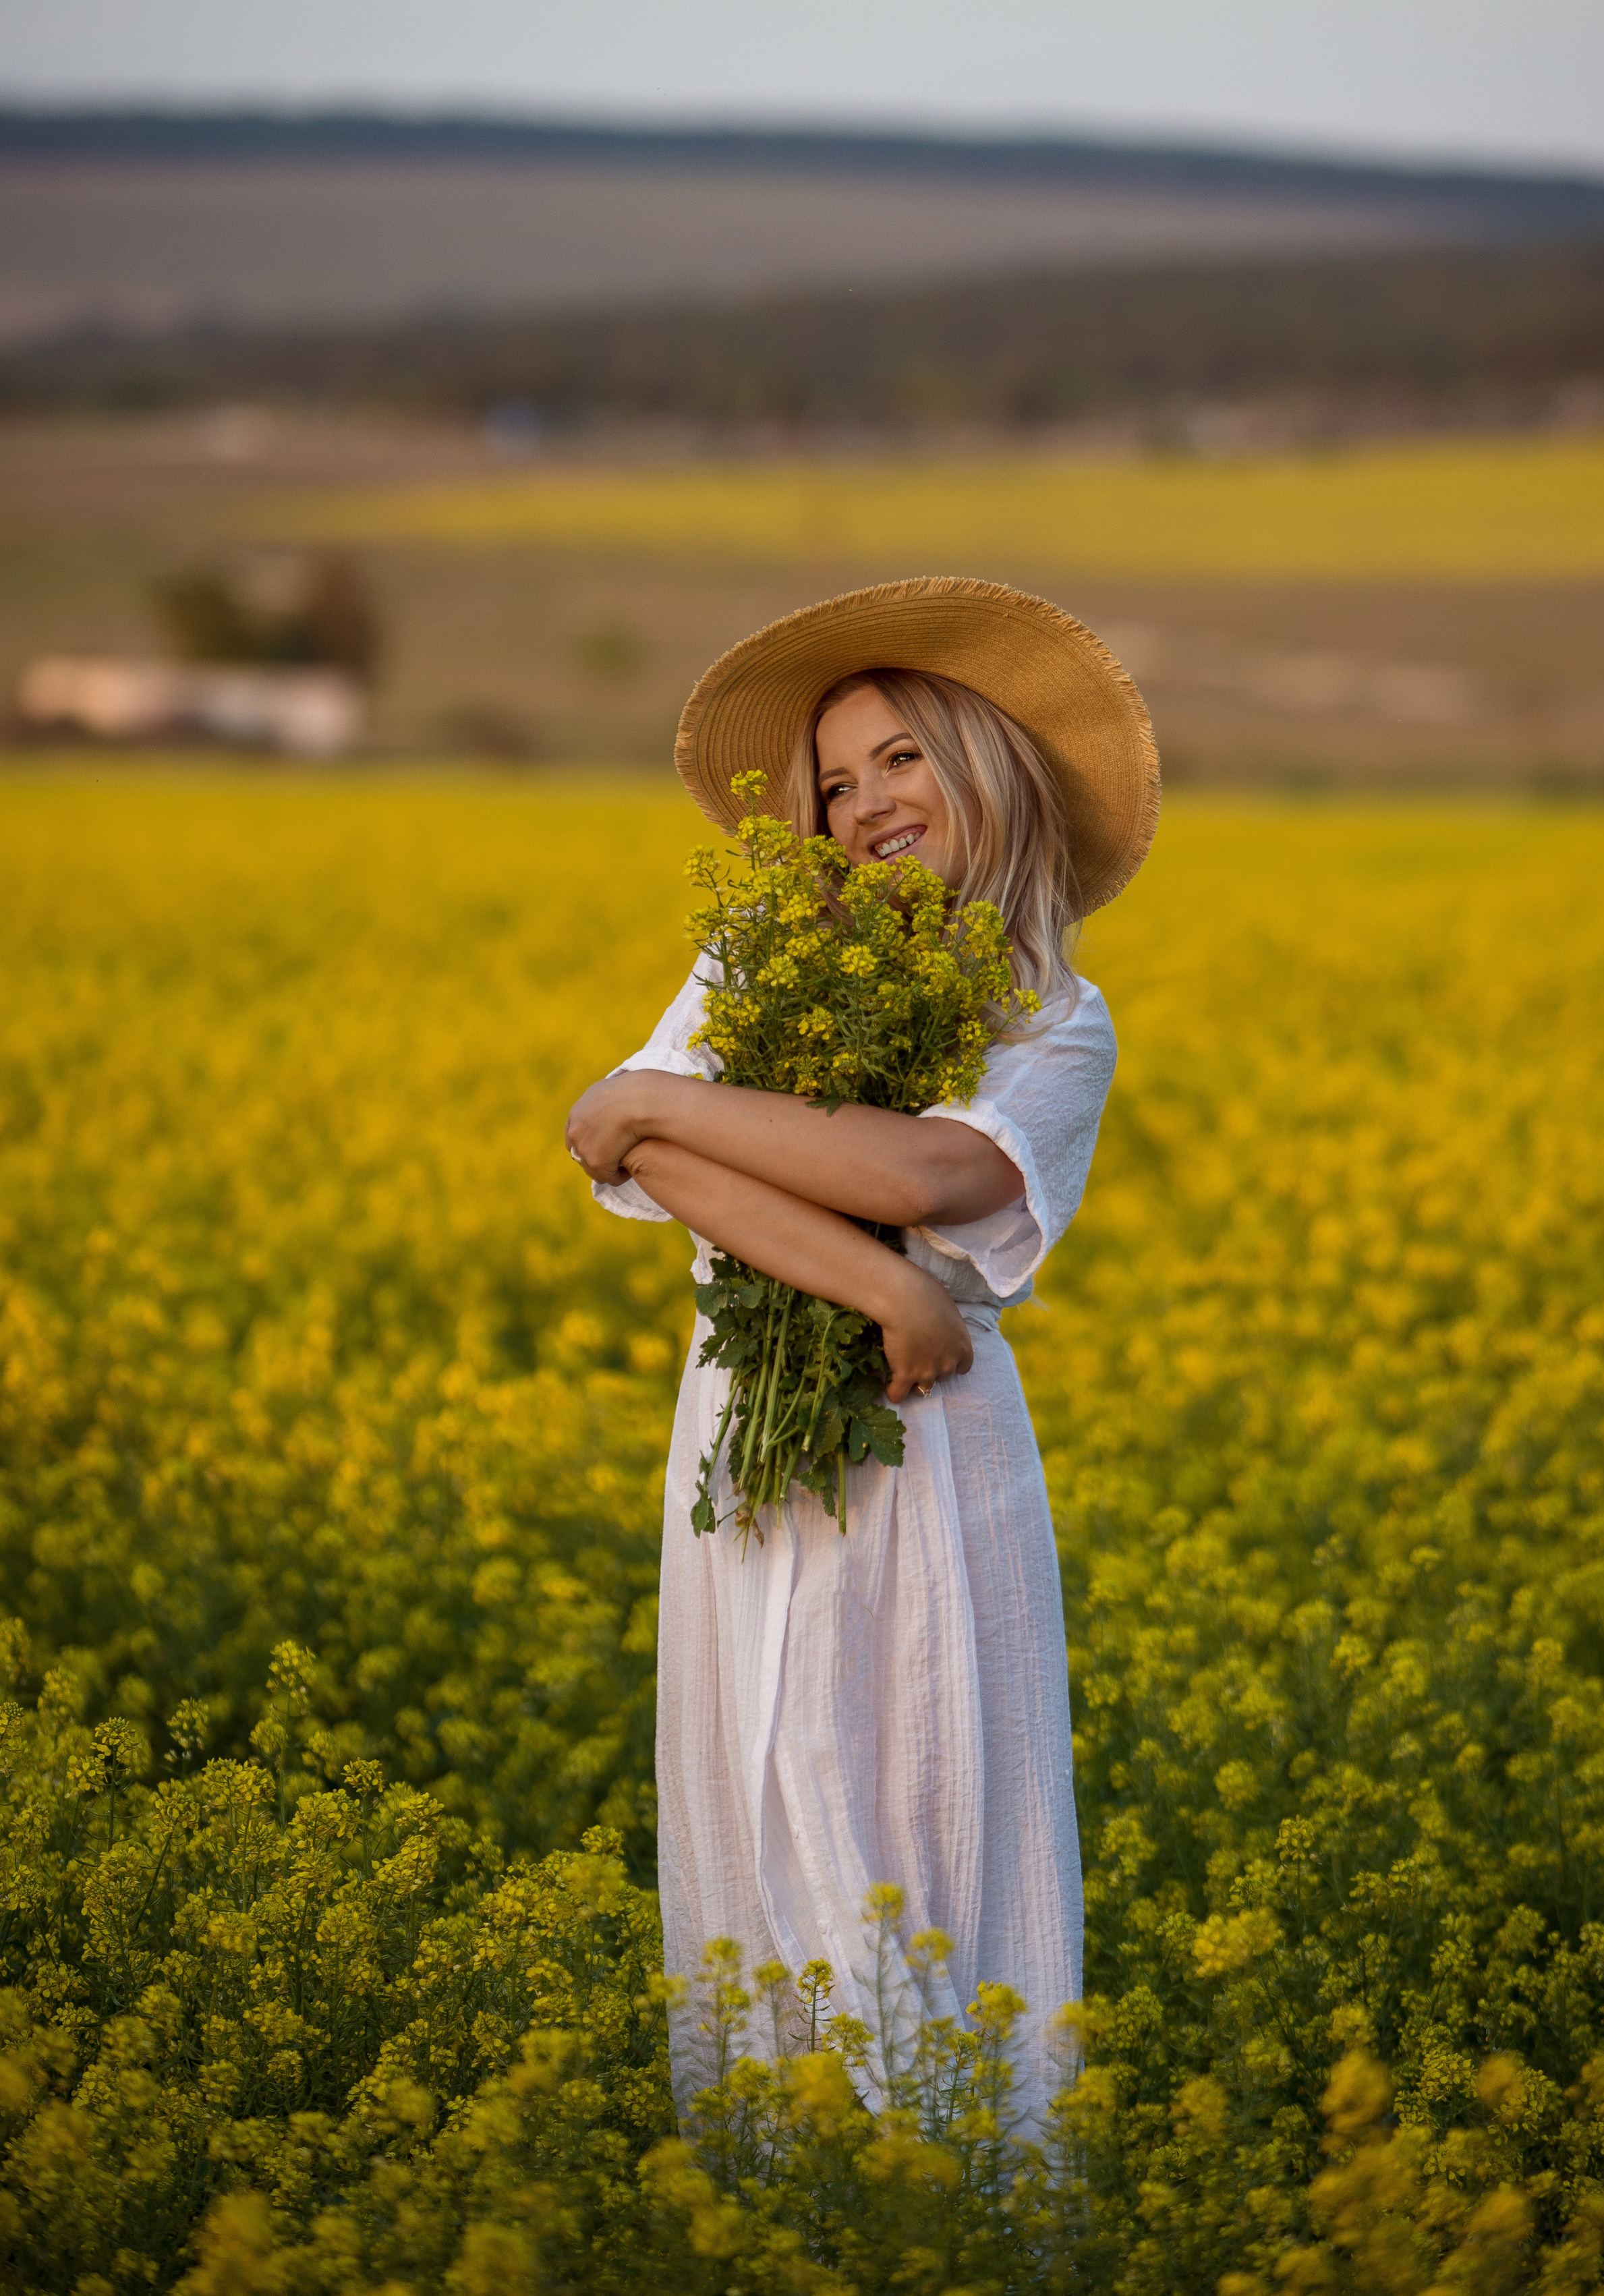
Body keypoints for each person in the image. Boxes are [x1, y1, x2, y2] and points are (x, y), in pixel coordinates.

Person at [565, 575, 1158, 2125]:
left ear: (986, 770)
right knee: (751, 1803)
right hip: (745, 1436)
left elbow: (919, 1177)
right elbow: (608, 1143)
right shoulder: (756, 964)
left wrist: (679, 1114)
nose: (865, 802)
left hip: (918, 1453)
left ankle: (949, 2200)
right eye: (834, 783)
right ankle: (780, 2192)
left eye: (900, 757)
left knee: (910, 1798)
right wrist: (870, 1281)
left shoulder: (1052, 1015)